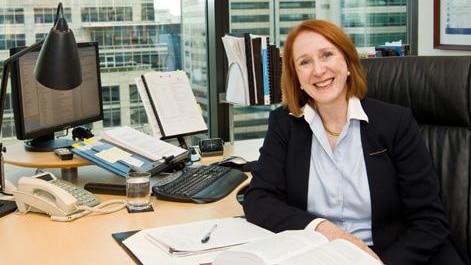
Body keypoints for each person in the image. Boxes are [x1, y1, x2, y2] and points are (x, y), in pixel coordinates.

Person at [242, 19, 467, 265]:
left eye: (327, 55)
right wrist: (322, 228)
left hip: (392, 255)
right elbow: (259, 200)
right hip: (319, 253)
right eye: (305, 62)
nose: (318, 70)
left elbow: (430, 221)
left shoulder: (395, 122)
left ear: (348, 64)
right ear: (296, 77)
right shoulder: (284, 124)